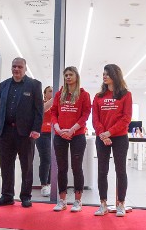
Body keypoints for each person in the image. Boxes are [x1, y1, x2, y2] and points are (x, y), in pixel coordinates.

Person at [0, 57, 44, 209]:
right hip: (6, 131)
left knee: (26, 166)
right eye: (14, 66)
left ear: (25, 68)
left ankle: (26, 196)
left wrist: (36, 129)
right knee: (6, 165)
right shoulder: (4, 85)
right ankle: (7, 196)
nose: (16, 69)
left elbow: (38, 110)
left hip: (26, 133)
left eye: (19, 67)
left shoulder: (34, 85)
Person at [91, 64, 132, 218]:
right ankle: (103, 204)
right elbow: (95, 118)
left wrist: (110, 132)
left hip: (120, 137)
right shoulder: (98, 97)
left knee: (120, 171)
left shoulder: (126, 95)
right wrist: (103, 134)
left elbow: (126, 118)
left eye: (107, 73)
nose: (104, 76)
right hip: (102, 138)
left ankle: (120, 203)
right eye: (103, 73)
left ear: (115, 75)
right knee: (102, 171)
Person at [51, 66, 91, 212]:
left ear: (76, 76)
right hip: (60, 135)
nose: (68, 77)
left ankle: (78, 200)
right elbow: (54, 112)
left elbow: (85, 114)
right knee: (61, 168)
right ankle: (62, 200)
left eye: (70, 74)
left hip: (77, 135)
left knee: (76, 167)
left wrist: (73, 129)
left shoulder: (83, 94)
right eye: (66, 75)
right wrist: (57, 128)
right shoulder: (59, 94)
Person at [37, 85, 54, 197]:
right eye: (50, 91)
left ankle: (50, 183)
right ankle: (44, 184)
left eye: (53, 91)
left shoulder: (56, 104)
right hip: (43, 134)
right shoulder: (41, 103)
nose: (52, 93)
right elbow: (43, 110)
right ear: (45, 93)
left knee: (53, 160)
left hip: (54, 133)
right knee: (46, 159)